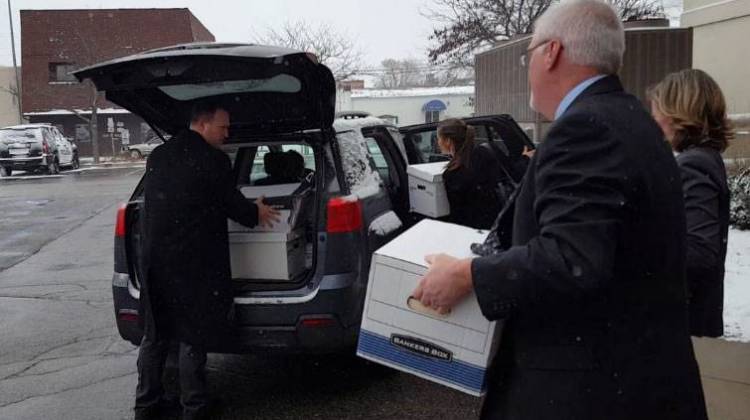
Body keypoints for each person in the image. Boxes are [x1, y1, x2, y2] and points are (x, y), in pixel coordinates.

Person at [412, 1, 708, 418]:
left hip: (593, 394)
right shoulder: (630, 119)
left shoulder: (586, 129)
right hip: (638, 382)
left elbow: (574, 257)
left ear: (551, 52)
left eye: (527, 53)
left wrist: (466, 275)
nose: (527, 66)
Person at [134, 101, 280, 420]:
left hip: (155, 259)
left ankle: (146, 406)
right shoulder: (213, 160)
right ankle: (195, 408)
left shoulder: (159, 155)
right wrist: (257, 212)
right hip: (192, 263)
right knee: (191, 335)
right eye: (223, 127)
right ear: (202, 124)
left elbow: (175, 199)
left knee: (155, 333)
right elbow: (232, 205)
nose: (227, 133)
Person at [649, 69, 732, 338]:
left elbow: (700, 251)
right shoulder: (706, 158)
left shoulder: (693, 164)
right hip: (693, 316)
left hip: (685, 321)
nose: (654, 119)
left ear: (679, 113)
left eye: (658, 110)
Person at [437, 118, 503, 229]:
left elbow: (458, 214)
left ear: (448, 141)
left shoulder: (452, 174)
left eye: (438, 138)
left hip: (472, 231)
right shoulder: (485, 153)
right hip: (496, 224)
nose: (438, 142)